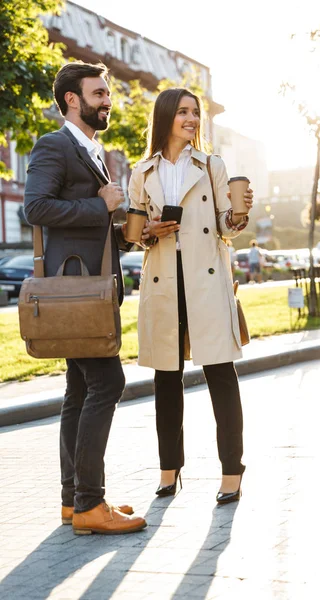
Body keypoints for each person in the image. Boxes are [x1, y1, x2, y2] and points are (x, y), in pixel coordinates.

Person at [24, 61, 146, 535]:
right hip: (71, 293)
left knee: (79, 390)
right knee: (107, 383)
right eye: (98, 93)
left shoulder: (94, 151)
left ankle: (73, 501)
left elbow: (91, 222)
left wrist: (130, 231)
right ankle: (91, 505)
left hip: (90, 290)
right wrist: (102, 205)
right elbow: (37, 207)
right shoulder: (55, 145)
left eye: (106, 93)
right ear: (72, 99)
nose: (107, 100)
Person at [128, 88, 254, 504]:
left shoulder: (212, 164)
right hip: (164, 281)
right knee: (166, 378)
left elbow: (224, 223)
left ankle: (232, 471)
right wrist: (150, 232)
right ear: (166, 117)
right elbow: (134, 234)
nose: (192, 119)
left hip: (205, 277)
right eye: (183, 112)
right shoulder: (142, 171)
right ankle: (169, 470)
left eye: (195, 113)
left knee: (221, 374)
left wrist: (238, 215)